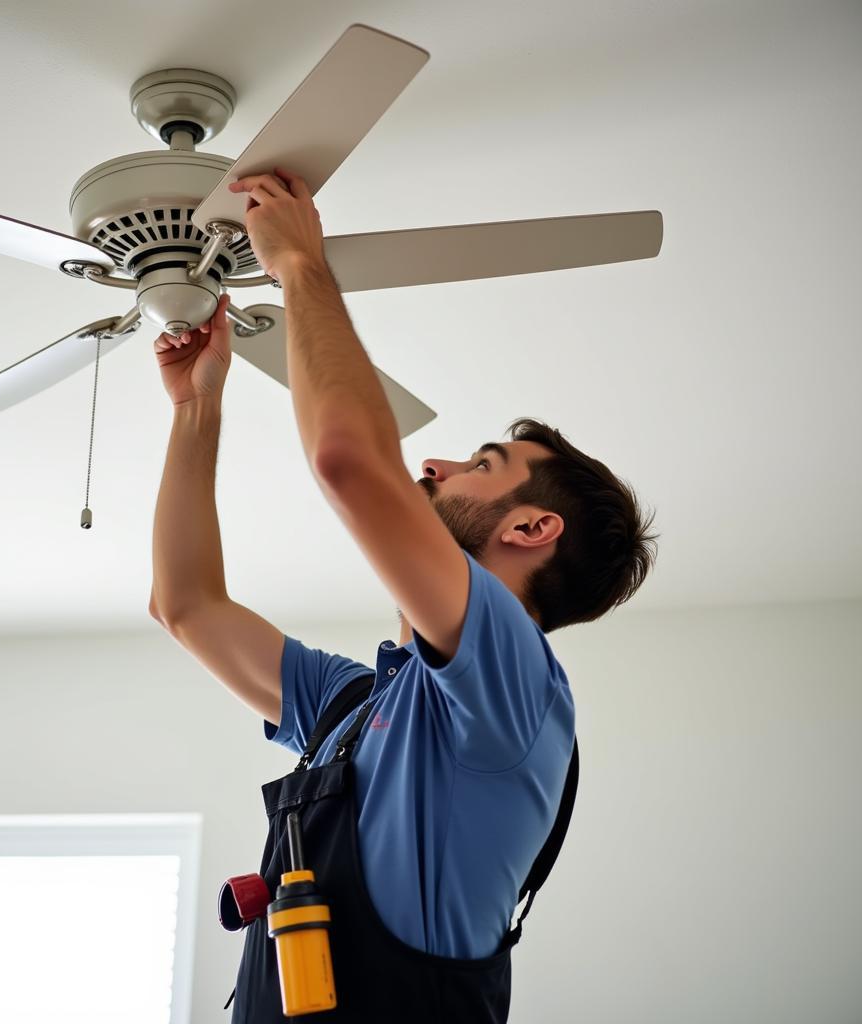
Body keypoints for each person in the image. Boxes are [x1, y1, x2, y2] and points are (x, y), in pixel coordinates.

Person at [148, 168, 658, 1022]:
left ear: (532, 530)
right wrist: (196, 412)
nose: (435, 463)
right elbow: (186, 605)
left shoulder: (516, 682)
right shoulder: (358, 705)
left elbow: (352, 460)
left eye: (480, 465)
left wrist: (302, 269)